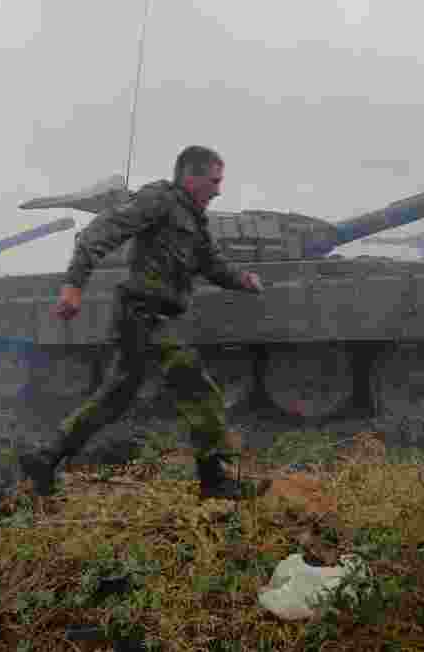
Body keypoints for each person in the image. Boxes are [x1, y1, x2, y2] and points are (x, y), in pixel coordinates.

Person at [18, 145, 271, 500]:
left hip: (147, 315)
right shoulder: (159, 199)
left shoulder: (194, 220)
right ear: (190, 176)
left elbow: (211, 263)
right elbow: (102, 231)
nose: (218, 189)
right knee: (198, 388)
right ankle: (215, 480)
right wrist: (74, 285)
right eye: (214, 181)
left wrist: (242, 280)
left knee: (115, 398)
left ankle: (45, 459)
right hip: (142, 313)